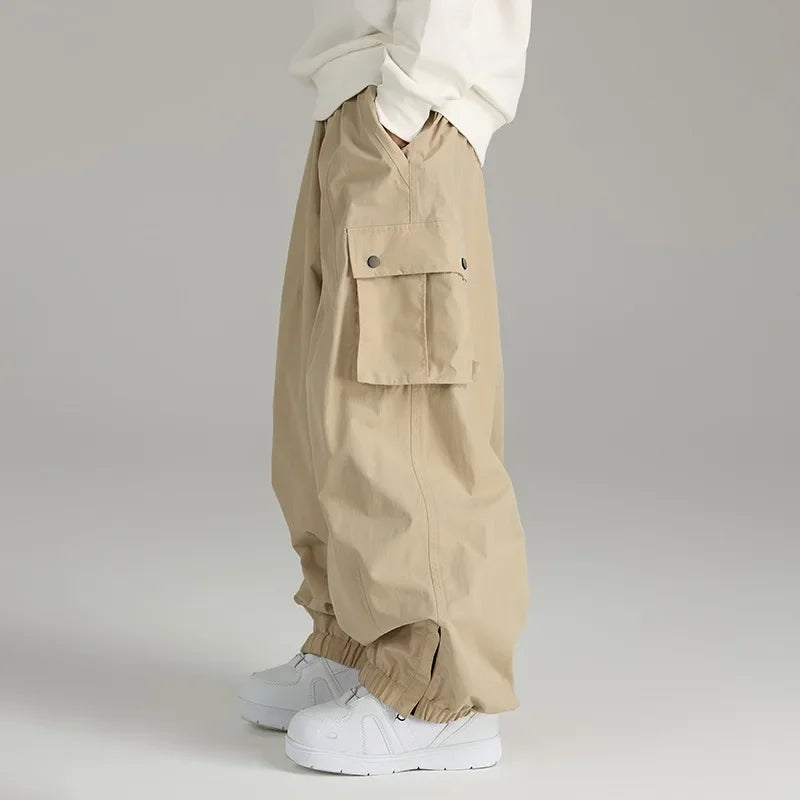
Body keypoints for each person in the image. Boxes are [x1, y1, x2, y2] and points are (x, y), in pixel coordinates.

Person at [239, 1, 532, 775]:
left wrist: (408, 102)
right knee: (325, 408)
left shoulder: (406, 107)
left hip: (408, 111)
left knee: (406, 419)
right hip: (358, 103)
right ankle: (353, 643)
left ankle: (437, 694)